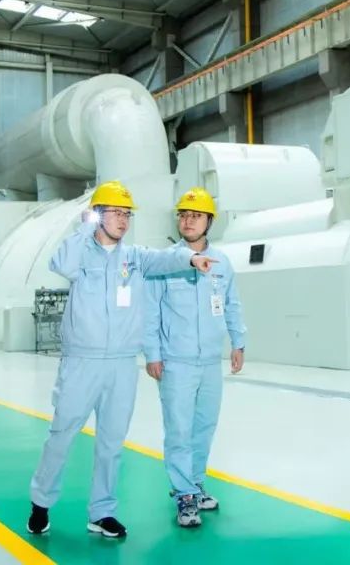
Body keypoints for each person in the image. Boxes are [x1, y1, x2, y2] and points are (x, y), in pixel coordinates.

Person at [27, 180, 215, 540]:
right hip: (82, 363)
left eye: (127, 214)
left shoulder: (134, 257)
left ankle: (102, 512)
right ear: (98, 215)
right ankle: (40, 503)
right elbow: (59, 263)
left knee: (112, 443)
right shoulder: (81, 253)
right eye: (115, 212)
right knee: (61, 435)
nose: (123, 220)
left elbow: (165, 259)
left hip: (122, 364)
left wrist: (190, 258)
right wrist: (85, 227)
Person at [143, 187, 245, 528]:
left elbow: (231, 304)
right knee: (179, 430)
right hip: (176, 361)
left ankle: (196, 482)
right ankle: (184, 494)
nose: (188, 221)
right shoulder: (164, 262)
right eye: (184, 215)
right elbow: (150, 312)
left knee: (204, 426)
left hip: (210, 361)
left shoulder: (222, 263)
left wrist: (238, 342)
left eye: (196, 215)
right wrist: (153, 354)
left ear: (209, 221)